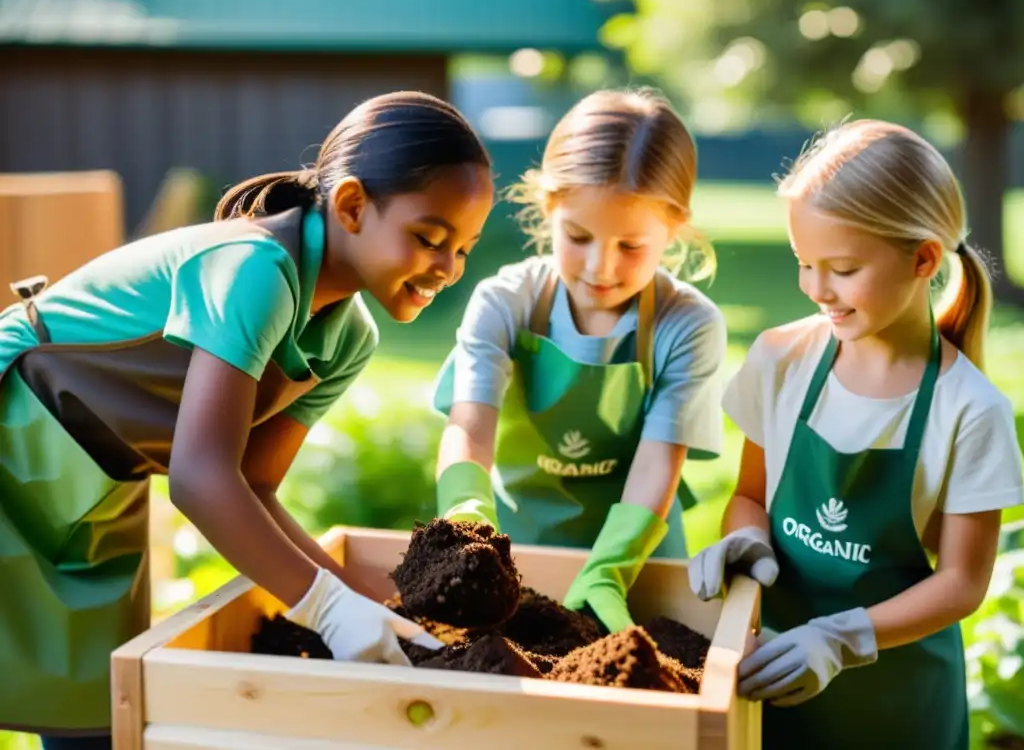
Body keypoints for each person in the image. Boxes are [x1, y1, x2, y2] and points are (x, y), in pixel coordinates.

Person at [0, 90, 495, 749]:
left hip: (93, 475)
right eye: (430, 238)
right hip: (17, 425)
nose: (449, 269)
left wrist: (360, 597)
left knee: (90, 707)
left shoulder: (348, 339)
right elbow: (201, 479)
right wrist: (323, 605)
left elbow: (251, 483)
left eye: (464, 249)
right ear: (351, 206)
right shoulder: (252, 271)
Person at [686, 119, 1024, 750]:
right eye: (803, 263)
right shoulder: (781, 359)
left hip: (901, 707)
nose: (817, 289)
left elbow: (962, 583)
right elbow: (751, 496)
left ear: (923, 258)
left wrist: (838, 640)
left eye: (841, 269)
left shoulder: (971, 409)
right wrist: (744, 542)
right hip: (776, 678)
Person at [430, 87, 728, 635]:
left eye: (631, 246)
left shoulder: (687, 324)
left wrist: (611, 568)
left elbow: (660, 459)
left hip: (637, 561)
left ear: (675, 226)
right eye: (578, 236)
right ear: (549, 208)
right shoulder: (506, 303)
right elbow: (469, 427)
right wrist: (467, 518)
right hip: (518, 550)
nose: (600, 267)